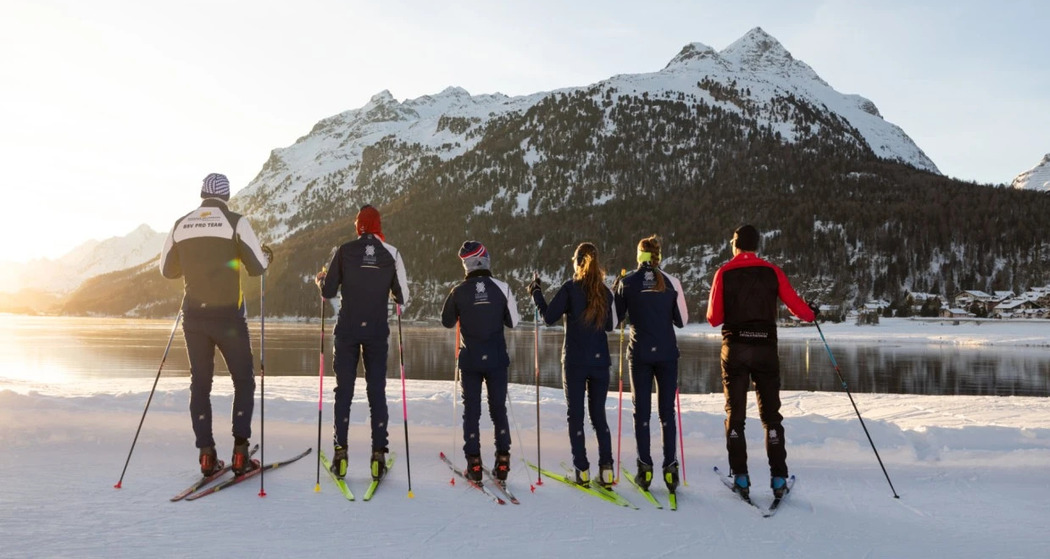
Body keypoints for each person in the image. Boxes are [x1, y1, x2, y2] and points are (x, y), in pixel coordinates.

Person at [160, 172, 272, 476]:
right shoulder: (236, 222)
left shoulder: (181, 224)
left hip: (194, 316)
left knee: (200, 382)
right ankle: (240, 453)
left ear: (201, 194)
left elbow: (167, 270)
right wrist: (266, 257)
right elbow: (257, 267)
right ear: (226, 196)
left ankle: (207, 455)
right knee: (243, 380)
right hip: (228, 317)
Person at [706, 224, 817, 500]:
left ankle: (741, 478)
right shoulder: (772, 271)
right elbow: (798, 307)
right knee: (771, 417)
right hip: (765, 349)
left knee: (736, 416)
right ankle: (778, 478)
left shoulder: (724, 272)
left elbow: (713, 318)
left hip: (736, 349)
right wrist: (811, 314)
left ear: (735, 244)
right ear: (756, 246)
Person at [316, 204, 409, 482]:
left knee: (343, 392)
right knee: (376, 392)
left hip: (347, 330)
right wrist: (389, 292)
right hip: (377, 332)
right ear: (379, 225)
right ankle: (378, 457)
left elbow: (329, 291)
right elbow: (403, 296)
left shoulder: (344, 251)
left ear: (358, 227)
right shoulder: (391, 253)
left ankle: (340, 455)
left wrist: (321, 280)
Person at [529, 242, 618, 488]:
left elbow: (548, 317)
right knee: (599, 416)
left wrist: (536, 292)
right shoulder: (604, 292)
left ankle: (582, 470)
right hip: (600, 362)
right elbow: (610, 326)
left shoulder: (570, 289)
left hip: (575, 361)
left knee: (576, 416)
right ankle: (607, 470)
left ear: (578, 262)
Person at [614, 235, 688, 493]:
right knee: (666, 413)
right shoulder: (671, 282)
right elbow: (682, 321)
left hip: (640, 354)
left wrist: (617, 291)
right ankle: (670, 470)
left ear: (639, 256)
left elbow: (614, 321)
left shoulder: (628, 282)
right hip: (667, 354)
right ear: (659, 256)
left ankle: (644, 470)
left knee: (642, 413)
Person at [441, 241, 520, 483]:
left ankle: (474, 464)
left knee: (471, 412)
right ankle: (503, 462)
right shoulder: (502, 288)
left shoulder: (458, 291)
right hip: (496, 359)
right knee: (499, 411)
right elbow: (513, 322)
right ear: (485, 260)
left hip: (470, 360)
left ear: (466, 265)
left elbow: (446, 321)